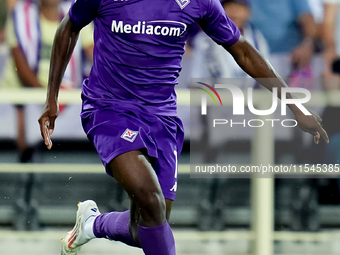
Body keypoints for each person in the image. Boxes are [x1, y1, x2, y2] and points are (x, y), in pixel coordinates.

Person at [38, 0, 328, 254]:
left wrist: (295, 106)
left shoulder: (199, 2)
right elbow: (68, 28)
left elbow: (242, 50)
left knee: (147, 227)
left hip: (161, 118)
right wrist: (51, 98)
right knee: (151, 201)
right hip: (109, 109)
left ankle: (91, 224)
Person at [1, 0, 93, 162]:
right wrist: (50, 96)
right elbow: (22, 71)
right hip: (29, 97)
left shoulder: (77, 14)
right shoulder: (18, 16)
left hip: (65, 95)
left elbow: (94, 53)